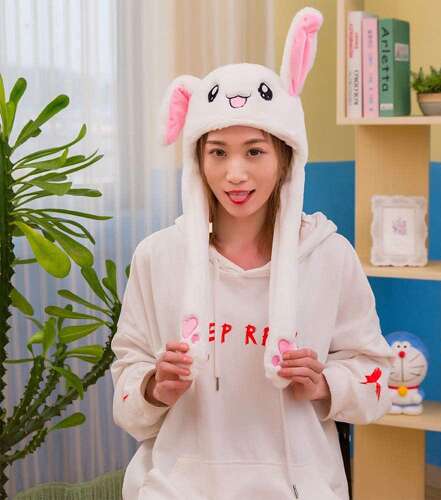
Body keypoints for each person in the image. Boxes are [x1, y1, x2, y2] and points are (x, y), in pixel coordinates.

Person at [110, 6, 396, 500]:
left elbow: (378, 380)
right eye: (218, 152)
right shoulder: (158, 257)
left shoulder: (328, 256)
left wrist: (325, 383)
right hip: (178, 486)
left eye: (255, 151)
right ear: (197, 160)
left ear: (285, 156)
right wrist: (155, 386)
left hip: (297, 485)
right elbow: (126, 383)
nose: (235, 174)